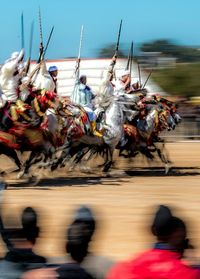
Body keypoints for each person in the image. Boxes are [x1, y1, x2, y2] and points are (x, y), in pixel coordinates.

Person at [106, 205, 200, 279]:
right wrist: (193, 261)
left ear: (152, 231)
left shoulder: (123, 268)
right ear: (178, 235)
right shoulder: (185, 273)